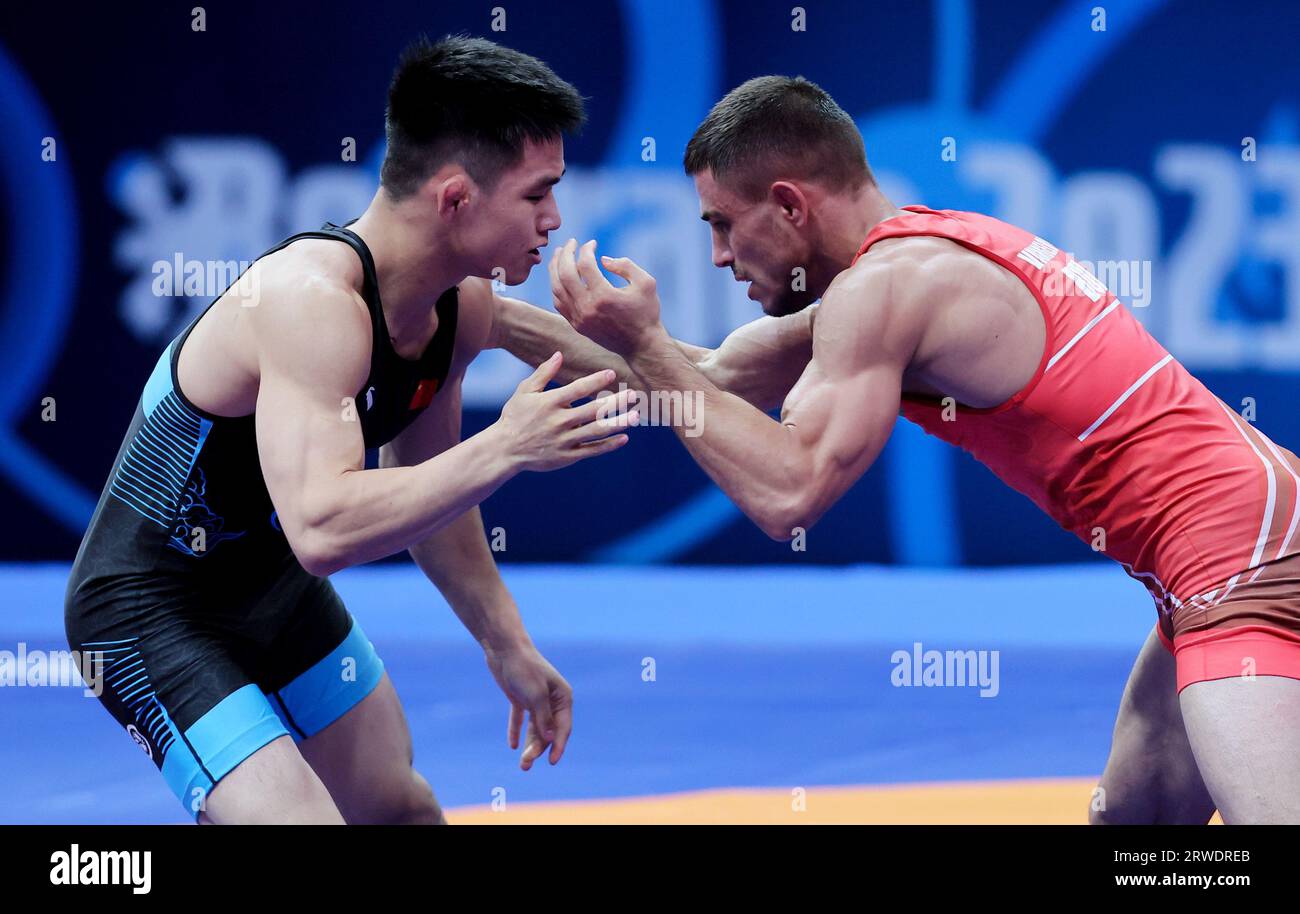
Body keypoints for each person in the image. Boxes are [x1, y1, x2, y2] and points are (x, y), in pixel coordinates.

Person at [539, 75, 1300, 824]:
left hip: (1245, 563)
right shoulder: (907, 265)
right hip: (1236, 540)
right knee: (1136, 829)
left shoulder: (886, 289)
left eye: (722, 224)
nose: (716, 256)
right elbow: (704, 380)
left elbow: (788, 495)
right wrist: (482, 313)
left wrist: (642, 341)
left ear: (789, 205)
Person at [64, 35, 638, 825]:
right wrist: (504, 446)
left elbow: (430, 503)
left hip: (276, 591)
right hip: (152, 607)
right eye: (538, 193)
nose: (555, 218)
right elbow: (323, 529)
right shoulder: (310, 303)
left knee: (400, 812)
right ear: (456, 198)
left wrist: (506, 641)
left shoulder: (458, 307)